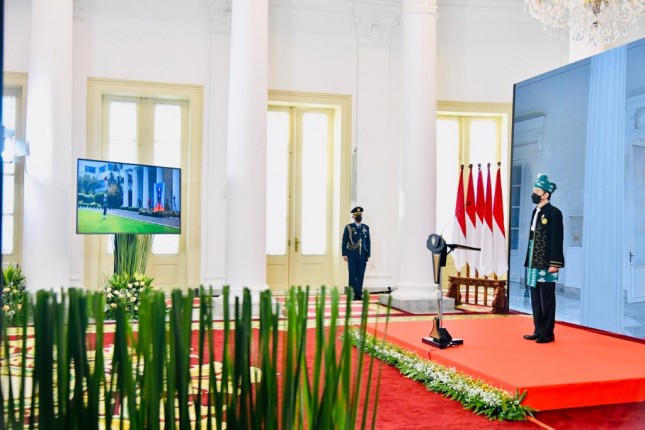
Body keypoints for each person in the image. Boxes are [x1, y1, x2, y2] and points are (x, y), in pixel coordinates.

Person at [523, 173, 564, 344]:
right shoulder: (536, 211)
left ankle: (547, 333)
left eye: (537, 190)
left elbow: (557, 238)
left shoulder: (554, 213)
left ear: (546, 193)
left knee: (546, 299)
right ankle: (538, 330)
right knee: (535, 300)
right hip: (533, 263)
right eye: (534, 190)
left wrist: (555, 263)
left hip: (547, 264)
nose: (534, 193)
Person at [342, 207, 371, 300]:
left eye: (360, 215)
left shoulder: (366, 227)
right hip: (352, 255)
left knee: (360, 274)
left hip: (362, 255)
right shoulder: (349, 227)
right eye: (357, 215)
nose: (359, 217)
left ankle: (359, 294)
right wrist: (344, 254)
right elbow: (344, 241)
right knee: (352, 274)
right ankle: (352, 294)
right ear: (353, 216)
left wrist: (368, 253)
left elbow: (368, 241)